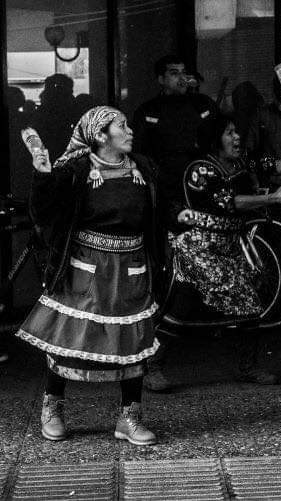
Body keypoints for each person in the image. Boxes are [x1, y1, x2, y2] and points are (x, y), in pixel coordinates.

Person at [16, 106, 160, 445]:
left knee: (133, 341)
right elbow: (44, 212)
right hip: (85, 267)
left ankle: (129, 418)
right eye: (122, 126)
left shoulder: (145, 168)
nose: (130, 131)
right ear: (100, 135)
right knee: (68, 338)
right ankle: (52, 408)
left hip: (131, 266)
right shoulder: (76, 170)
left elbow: (158, 212)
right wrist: (42, 175)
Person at [144, 116, 281, 390]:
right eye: (230, 132)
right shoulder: (201, 170)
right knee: (181, 307)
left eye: (236, 131)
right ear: (215, 139)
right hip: (197, 247)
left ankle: (248, 367)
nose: (237, 137)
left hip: (228, 248)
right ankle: (152, 367)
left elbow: (269, 165)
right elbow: (229, 203)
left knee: (249, 301)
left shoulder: (239, 162)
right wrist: (272, 198)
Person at [132, 54, 219, 232]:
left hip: (200, 181)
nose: (182, 78)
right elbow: (138, 151)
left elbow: (218, 137)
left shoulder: (202, 105)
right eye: (174, 73)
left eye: (184, 73)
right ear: (161, 79)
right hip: (165, 187)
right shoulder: (148, 110)